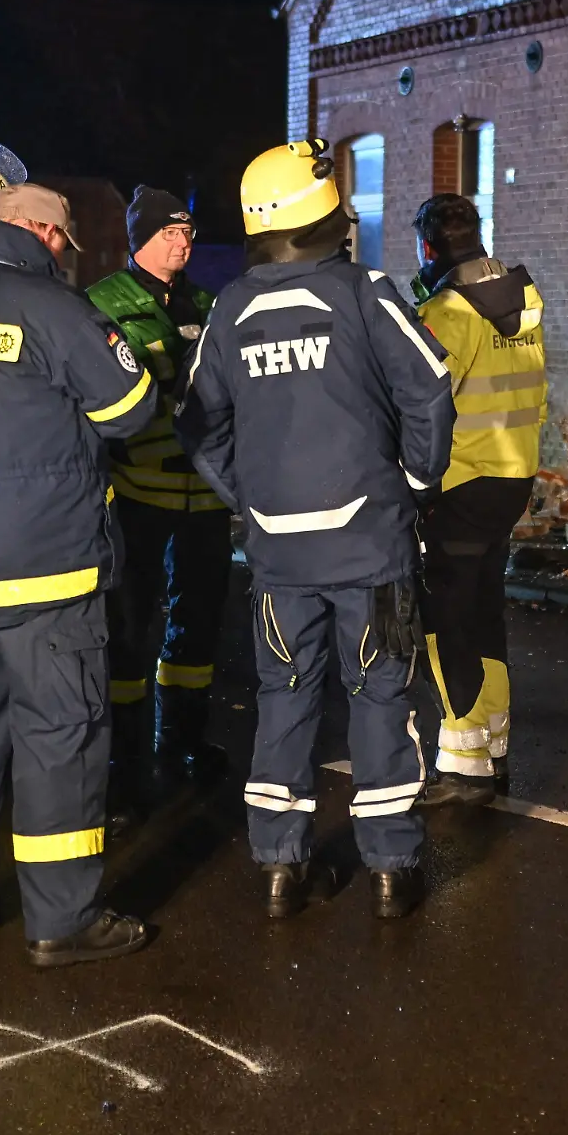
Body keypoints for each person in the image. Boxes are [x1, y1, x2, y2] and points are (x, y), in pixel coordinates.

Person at [176, 139, 454, 920]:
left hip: (276, 554)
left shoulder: (230, 310)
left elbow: (196, 428)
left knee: (283, 699)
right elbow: (430, 393)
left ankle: (278, 868)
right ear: (326, 217)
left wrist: (251, 494)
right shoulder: (367, 293)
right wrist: (414, 484)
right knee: (380, 696)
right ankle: (393, 870)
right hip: (374, 550)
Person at [0, 183, 158, 966]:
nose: (64, 252)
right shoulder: (50, 307)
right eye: (62, 240)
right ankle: (61, 919)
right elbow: (130, 406)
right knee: (59, 738)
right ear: (38, 232)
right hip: (45, 575)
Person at [87, 187, 229, 802]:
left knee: (197, 628)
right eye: (170, 234)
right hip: (137, 497)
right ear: (139, 239)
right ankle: (124, 758)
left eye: (189, 234)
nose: (183, 243)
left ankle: (183, 742)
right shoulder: (101, 304)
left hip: (205, 497)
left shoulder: (208, 301)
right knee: (129, 626)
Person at [411, 194, 547, 806]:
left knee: (449, 621)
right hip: (512, 477)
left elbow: (423, 407)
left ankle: (464, 766)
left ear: (429, 247)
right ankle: (493, 747)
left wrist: (415, 481)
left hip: (461, 483)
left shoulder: (447, 312)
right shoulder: (525, 299)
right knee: (487, 610)